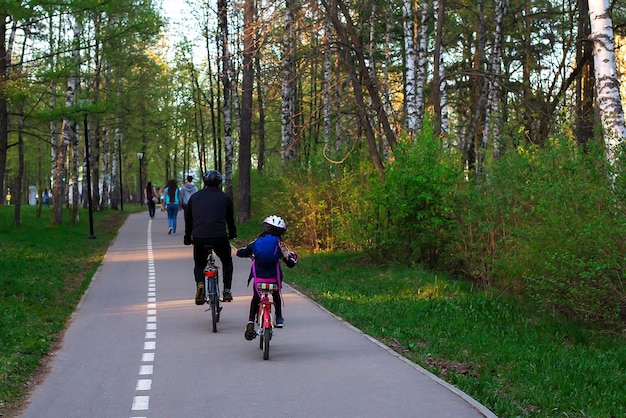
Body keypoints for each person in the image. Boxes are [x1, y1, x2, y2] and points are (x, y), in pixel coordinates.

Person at [236, 215, 297, 340]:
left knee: (256, 297)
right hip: (274, 279)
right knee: (276, 296)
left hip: (259, 279)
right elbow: (290, 262)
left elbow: (241, 252)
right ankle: (279, 318)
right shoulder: (280, 244)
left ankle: (251, 321)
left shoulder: (257, 241)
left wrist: (247, 253)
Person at [184, 170, 237, 304]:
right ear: (219, 183)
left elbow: (189, 220)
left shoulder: (194, 198)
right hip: (219, 236)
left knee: (199, 264)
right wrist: (232, 234)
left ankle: (200, 284)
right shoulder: (225, 198)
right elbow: (230, 220)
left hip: (199, 237)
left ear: (204, 182)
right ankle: (227, 290)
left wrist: (187, 237)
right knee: (226, 261)